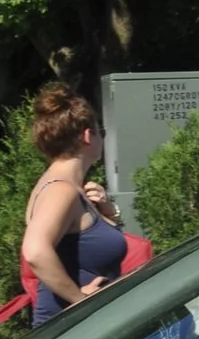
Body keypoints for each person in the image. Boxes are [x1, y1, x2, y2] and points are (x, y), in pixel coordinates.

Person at [21, 84, 126, 324]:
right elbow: (35, 251)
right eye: (101, 131)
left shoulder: (64, 187)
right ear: (88, 135)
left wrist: (109, 213)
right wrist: (79, 300)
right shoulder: (61, 190)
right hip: (67, 334)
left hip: (76, 333)